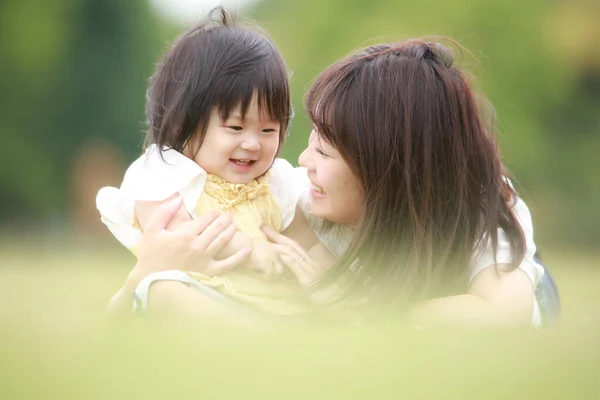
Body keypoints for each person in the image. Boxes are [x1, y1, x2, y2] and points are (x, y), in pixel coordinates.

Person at [115, 38, 558, 328]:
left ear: (386, 169)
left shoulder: (477, 207)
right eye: (308, 142)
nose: (301, 161)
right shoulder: (302, 204)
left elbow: (507, 320)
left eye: (324, 152)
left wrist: (360, 311)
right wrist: (145, 272)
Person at [97, 8, 334, 318]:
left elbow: (309, 245)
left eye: (268, 130)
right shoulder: (167, 172)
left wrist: (339, 284)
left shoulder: (275, 184)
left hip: (276, 306)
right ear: (184, 124)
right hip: (206, 295)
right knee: (161, 291)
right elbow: (182, 235)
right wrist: (253, 252)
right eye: (235, 127)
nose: (252, 143)